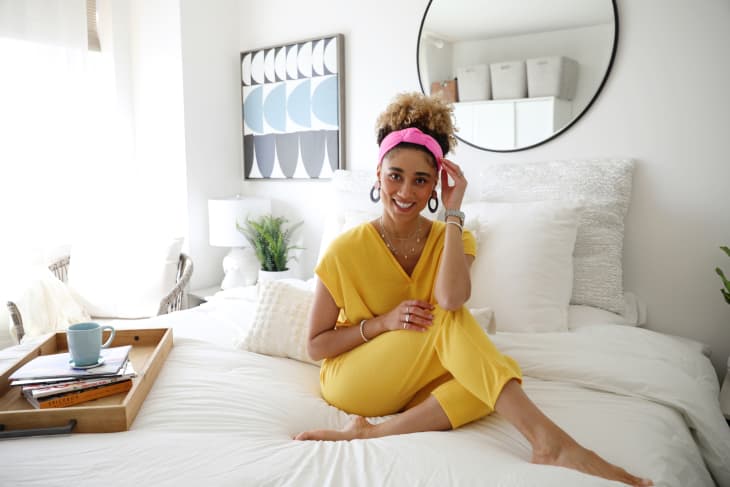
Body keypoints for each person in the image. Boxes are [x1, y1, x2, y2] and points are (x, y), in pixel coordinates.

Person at [295, 92, 652, 487]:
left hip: (412, 379)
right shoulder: (345, 249)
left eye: (421, 180)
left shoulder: (454, 236)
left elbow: (451, 297)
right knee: (467, 342)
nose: (406, 191)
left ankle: (372, 433)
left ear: (435, 185)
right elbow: (316, 346)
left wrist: (453, 213)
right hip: (353, 380)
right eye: (395, 175)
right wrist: (382, 323)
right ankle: (550, 442)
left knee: (493, 378)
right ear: (378, 174)